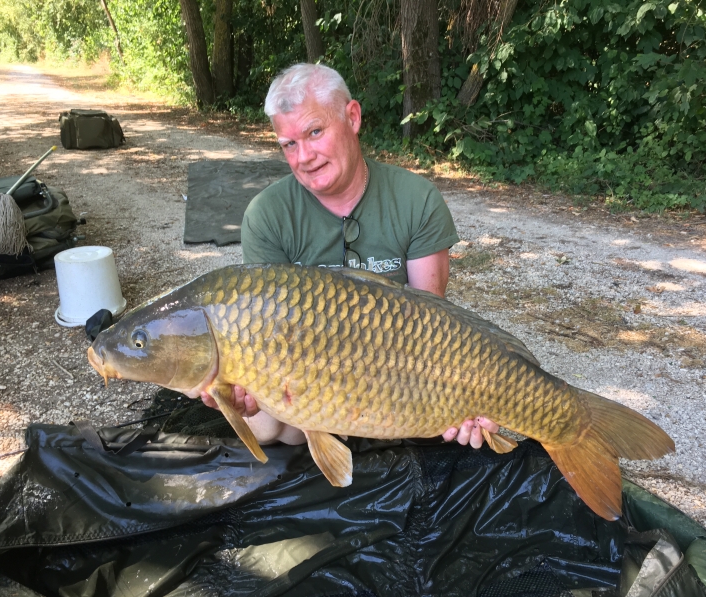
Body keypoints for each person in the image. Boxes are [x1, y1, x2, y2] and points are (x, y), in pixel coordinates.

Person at [201, 63, 500, 448]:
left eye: (315, 132)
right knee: (264, 425)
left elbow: (434, 327)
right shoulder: (266, 216)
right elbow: (264, 330)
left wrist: (463, 400)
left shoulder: (418, 200)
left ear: (352, 118)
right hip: (310, 373)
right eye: (289, 144)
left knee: (456, 413)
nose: (305, 156)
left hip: (403, 372)